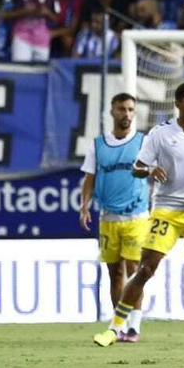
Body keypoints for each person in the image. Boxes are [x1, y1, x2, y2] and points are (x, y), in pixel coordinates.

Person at [93, 81, 184, 349]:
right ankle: (114, 329)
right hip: (166, 209)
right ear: (178, 104)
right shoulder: (159, 134)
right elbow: (137, 168)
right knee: (146, 268)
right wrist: (151, 170)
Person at [80, 92, 150, 343]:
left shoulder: (143, 142)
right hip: (108, 217)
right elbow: (89, 177)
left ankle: (134, 326)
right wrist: (84, 205)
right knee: (115, 273)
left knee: (135, 270)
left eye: (131, 109)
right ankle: (118, 323)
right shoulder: (98, 145)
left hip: (136, 216)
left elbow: (155, 171)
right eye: (122, 109)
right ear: (112, 112)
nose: (127, 114)